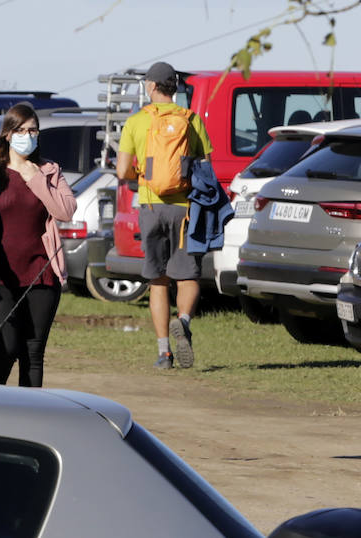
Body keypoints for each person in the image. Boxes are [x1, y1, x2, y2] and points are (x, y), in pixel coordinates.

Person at [116, 61, 213, 370]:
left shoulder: (136, 122)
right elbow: (205, 166)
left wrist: (141, 174)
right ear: (175, 88)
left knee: (158, 280)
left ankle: (164, 353)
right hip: (185, 207)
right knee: (188, 275)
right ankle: (183, 320)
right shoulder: (192, 120)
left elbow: (121, 171)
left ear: (151, 86)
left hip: (150, 205)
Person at [0, 103, 76, 387]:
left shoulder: (49, 171)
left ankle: (30, 416)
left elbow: (65, 211)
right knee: (4, 349)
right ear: (7, 134)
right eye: (20, 130)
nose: (27, 136)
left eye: (33, 130)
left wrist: (35, 178)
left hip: (41, 274)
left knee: (33, 351)